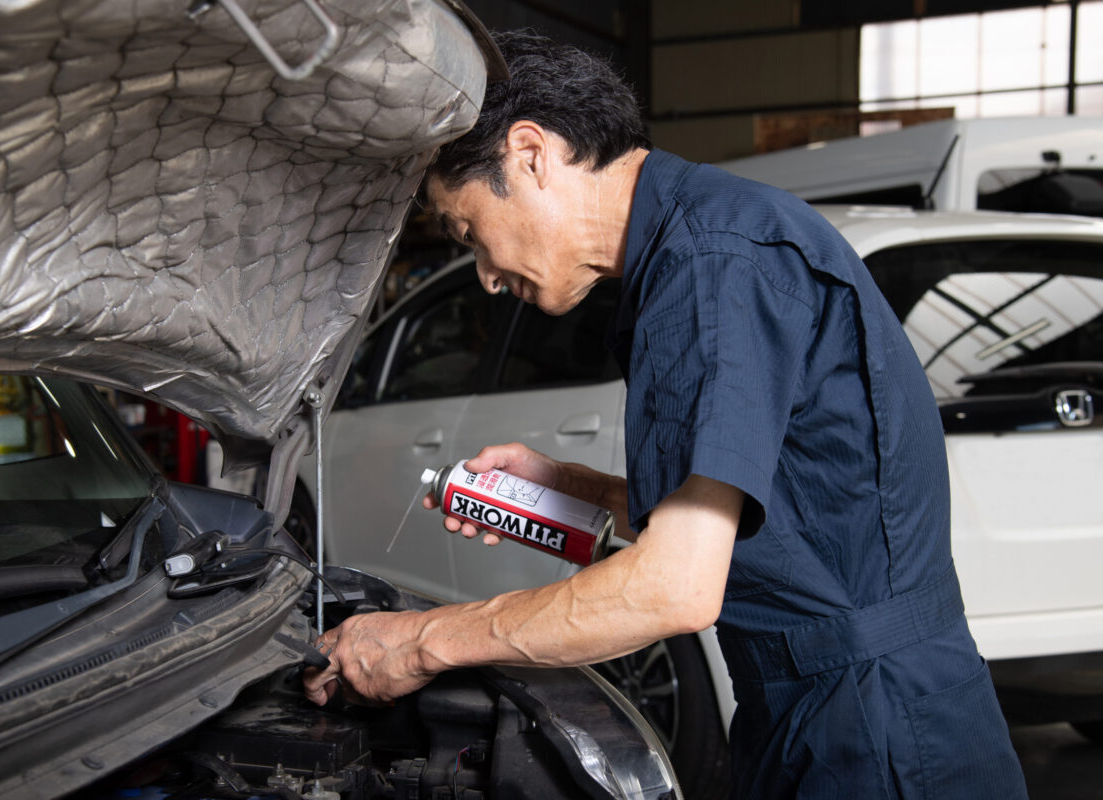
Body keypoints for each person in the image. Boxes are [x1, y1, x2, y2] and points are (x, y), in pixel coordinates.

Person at [303, 30, 1027, 798]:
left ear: (529, 154)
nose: (482, 274)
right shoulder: (701, 245)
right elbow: (778, 517)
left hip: (876, 732)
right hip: (832, 706)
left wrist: (422, 643)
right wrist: (567, 483)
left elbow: (674, 589)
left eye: (466, 229)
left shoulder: (713, 267)